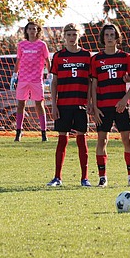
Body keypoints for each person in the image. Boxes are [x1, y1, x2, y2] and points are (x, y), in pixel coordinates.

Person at [90, 24, 130, 187]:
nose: (110, 38)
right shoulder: (96, 59)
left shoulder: (126, 57)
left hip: (121, 106)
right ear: (102, 38)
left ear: (117, 37)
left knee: (127, 139)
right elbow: (93, 85)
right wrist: (94, 106)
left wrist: (125, 100)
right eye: (107, 35)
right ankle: (102, 178)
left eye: (112, 35)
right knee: (102, 140)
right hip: (103, 106)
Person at [46, 23, 92, 187]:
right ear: (64, 37)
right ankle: (57, 177)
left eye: (74, 34)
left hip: (80, 105)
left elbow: (90, 81)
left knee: (82, 140)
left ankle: (84, 178)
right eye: (69, 35)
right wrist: (53, 104)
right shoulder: (58, 56)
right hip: (63, 104)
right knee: (62, 139)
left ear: (79, 36)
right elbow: (54, 82)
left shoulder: (87, 56)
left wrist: (90, 103)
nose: (72, 37)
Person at [13, 20, 51, 142]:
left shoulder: (42, 45)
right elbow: (18, 61)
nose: (32, 31)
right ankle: (18, 131)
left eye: (34, 29)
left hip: (36, 79)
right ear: (26, 31)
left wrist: (50, 75)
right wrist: (15, 74)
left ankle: (44, 132)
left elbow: (47, 60)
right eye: (30, 29)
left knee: (39, 104)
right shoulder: (21, 45)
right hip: (23, 79)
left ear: (38, 31)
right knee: (20, 104)